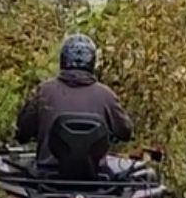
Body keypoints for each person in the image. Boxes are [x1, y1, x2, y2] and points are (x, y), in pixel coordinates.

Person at [16, 33, 133, 171]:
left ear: (63, 60)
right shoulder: (106, 96)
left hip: (47, 177)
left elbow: (22, 131)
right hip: (96, 180)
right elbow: (126, 132)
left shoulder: (44, 92)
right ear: (92, 62)